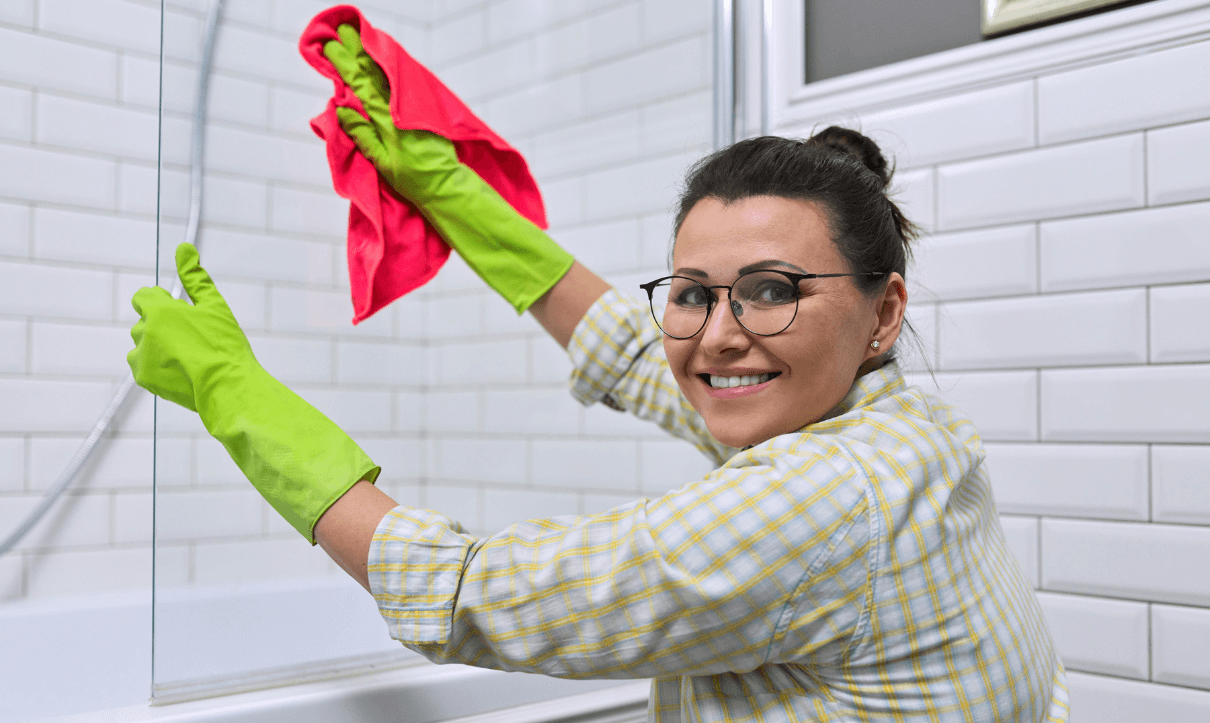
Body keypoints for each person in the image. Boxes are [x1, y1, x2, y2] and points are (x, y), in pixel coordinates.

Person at [126, 26, 1069, 723]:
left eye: (772, 290)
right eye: (693, 293)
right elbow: (630, 345)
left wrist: (232, 392)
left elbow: (473, 595)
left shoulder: (820, 495)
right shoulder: (897, 429)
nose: (718, 337)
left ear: (883, 312)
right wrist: (446, 190)